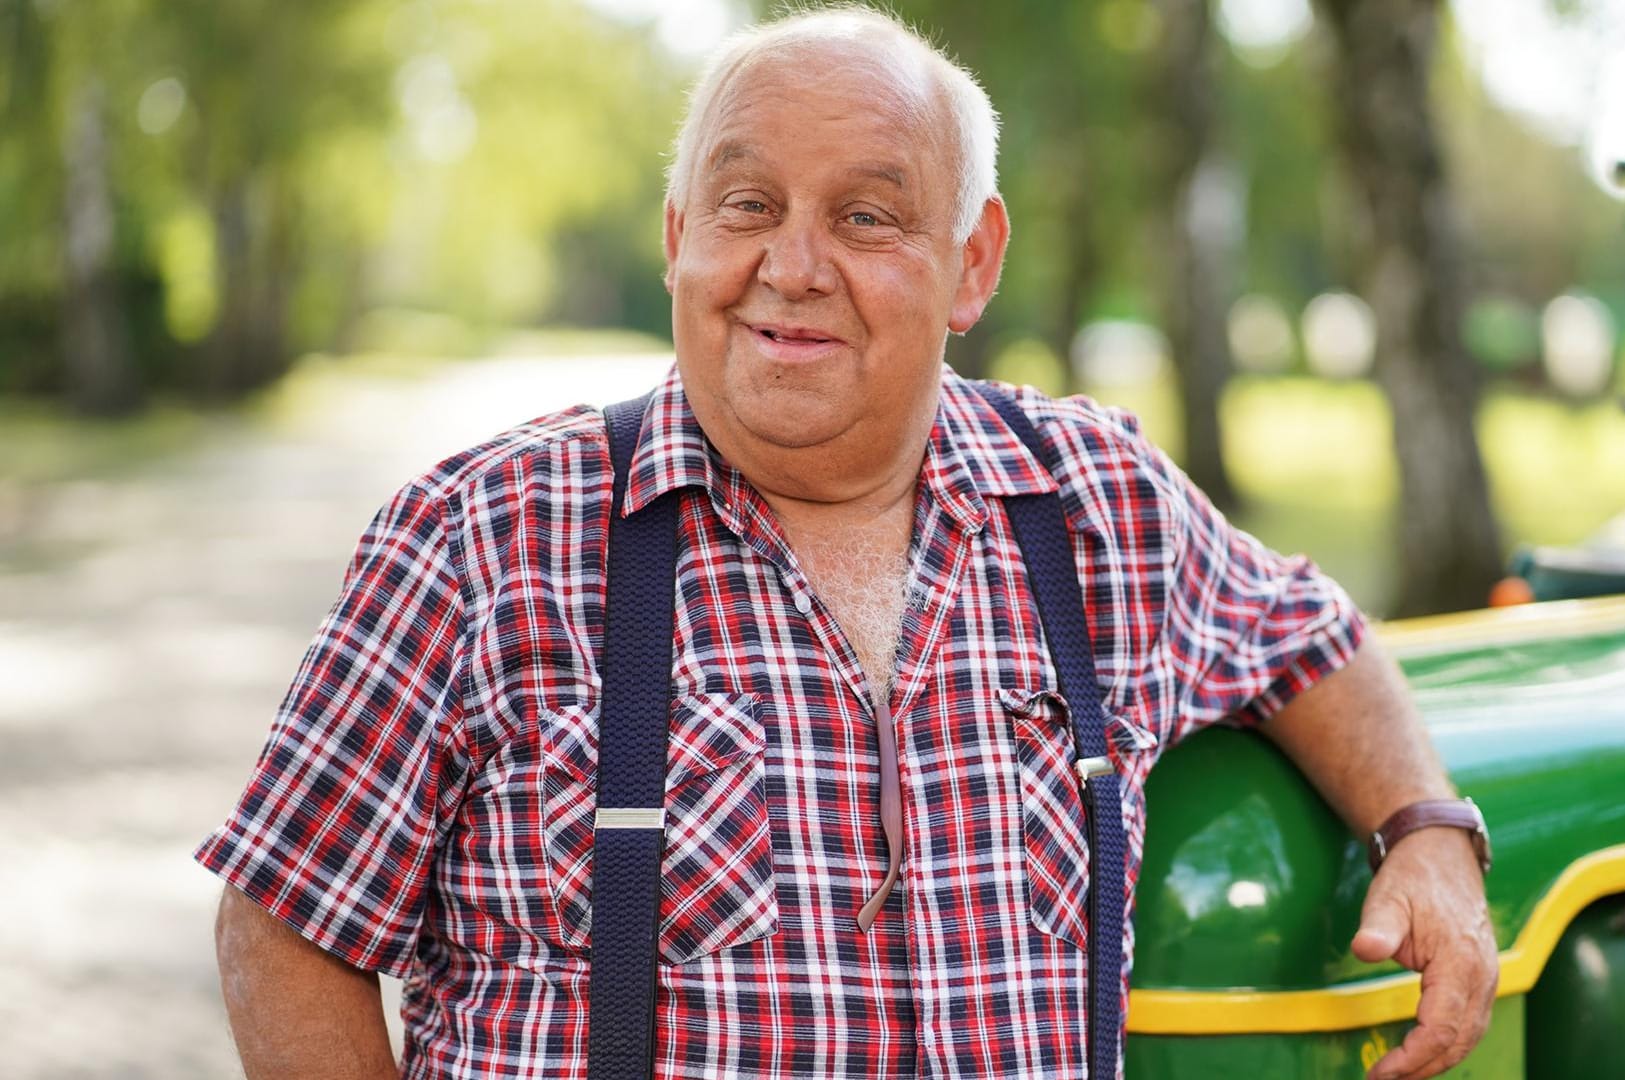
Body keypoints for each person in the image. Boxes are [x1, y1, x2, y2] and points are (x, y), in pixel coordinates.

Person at [199, 8, 1498, 1080]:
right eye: (747, 203)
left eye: (867, 217)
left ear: (972, 262)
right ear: (676, 239)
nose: (793, 265)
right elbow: (285, 925)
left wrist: (1426, 828)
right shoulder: (484, 539)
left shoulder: (1098, 506)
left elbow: (1308, 635)